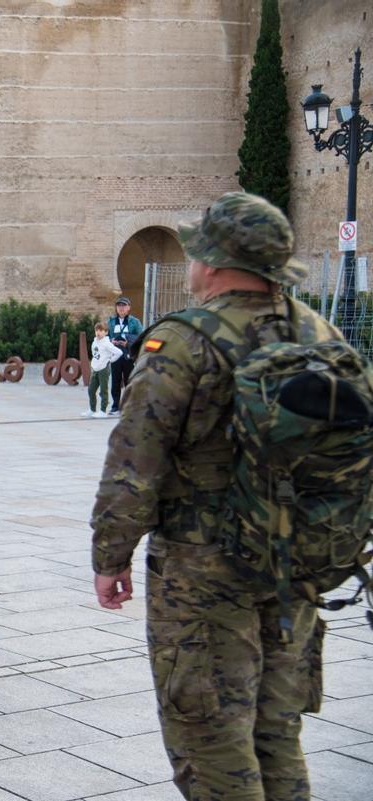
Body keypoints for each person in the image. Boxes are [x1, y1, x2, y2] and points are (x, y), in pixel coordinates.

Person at [92, 192, 339, 801]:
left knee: (210, 737)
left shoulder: (183, 341)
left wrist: (111, 557)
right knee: (276, 732)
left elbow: (135, 462)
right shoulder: (319, 332)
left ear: (217, 263)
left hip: (205, 567)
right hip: (295, 562)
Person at [106, 296, 142, 414]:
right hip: (115, 355)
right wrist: (111, 341)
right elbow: (105, 336)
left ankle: (128, 406)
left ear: (129, 308)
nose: (121, 308)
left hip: (128, 355)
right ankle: (115, 406)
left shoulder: (135, 322)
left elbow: (141, 337)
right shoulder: (111, 321)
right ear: (116, 308)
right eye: (119, 306)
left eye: (124, 306)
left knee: (129, 381)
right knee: (115, 381)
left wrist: (128, 343)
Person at [84, 321, 122, 419]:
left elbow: (119, 352)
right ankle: (92, 409)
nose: (98, 332)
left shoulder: (107, 344)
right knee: (91, 390)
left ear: (106, 332)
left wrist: (110, 360)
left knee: (103, 391)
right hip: (95, 369)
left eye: (101, 330)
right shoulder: (94, 341)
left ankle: (103, 411)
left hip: (103, 370)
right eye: (96, 330)